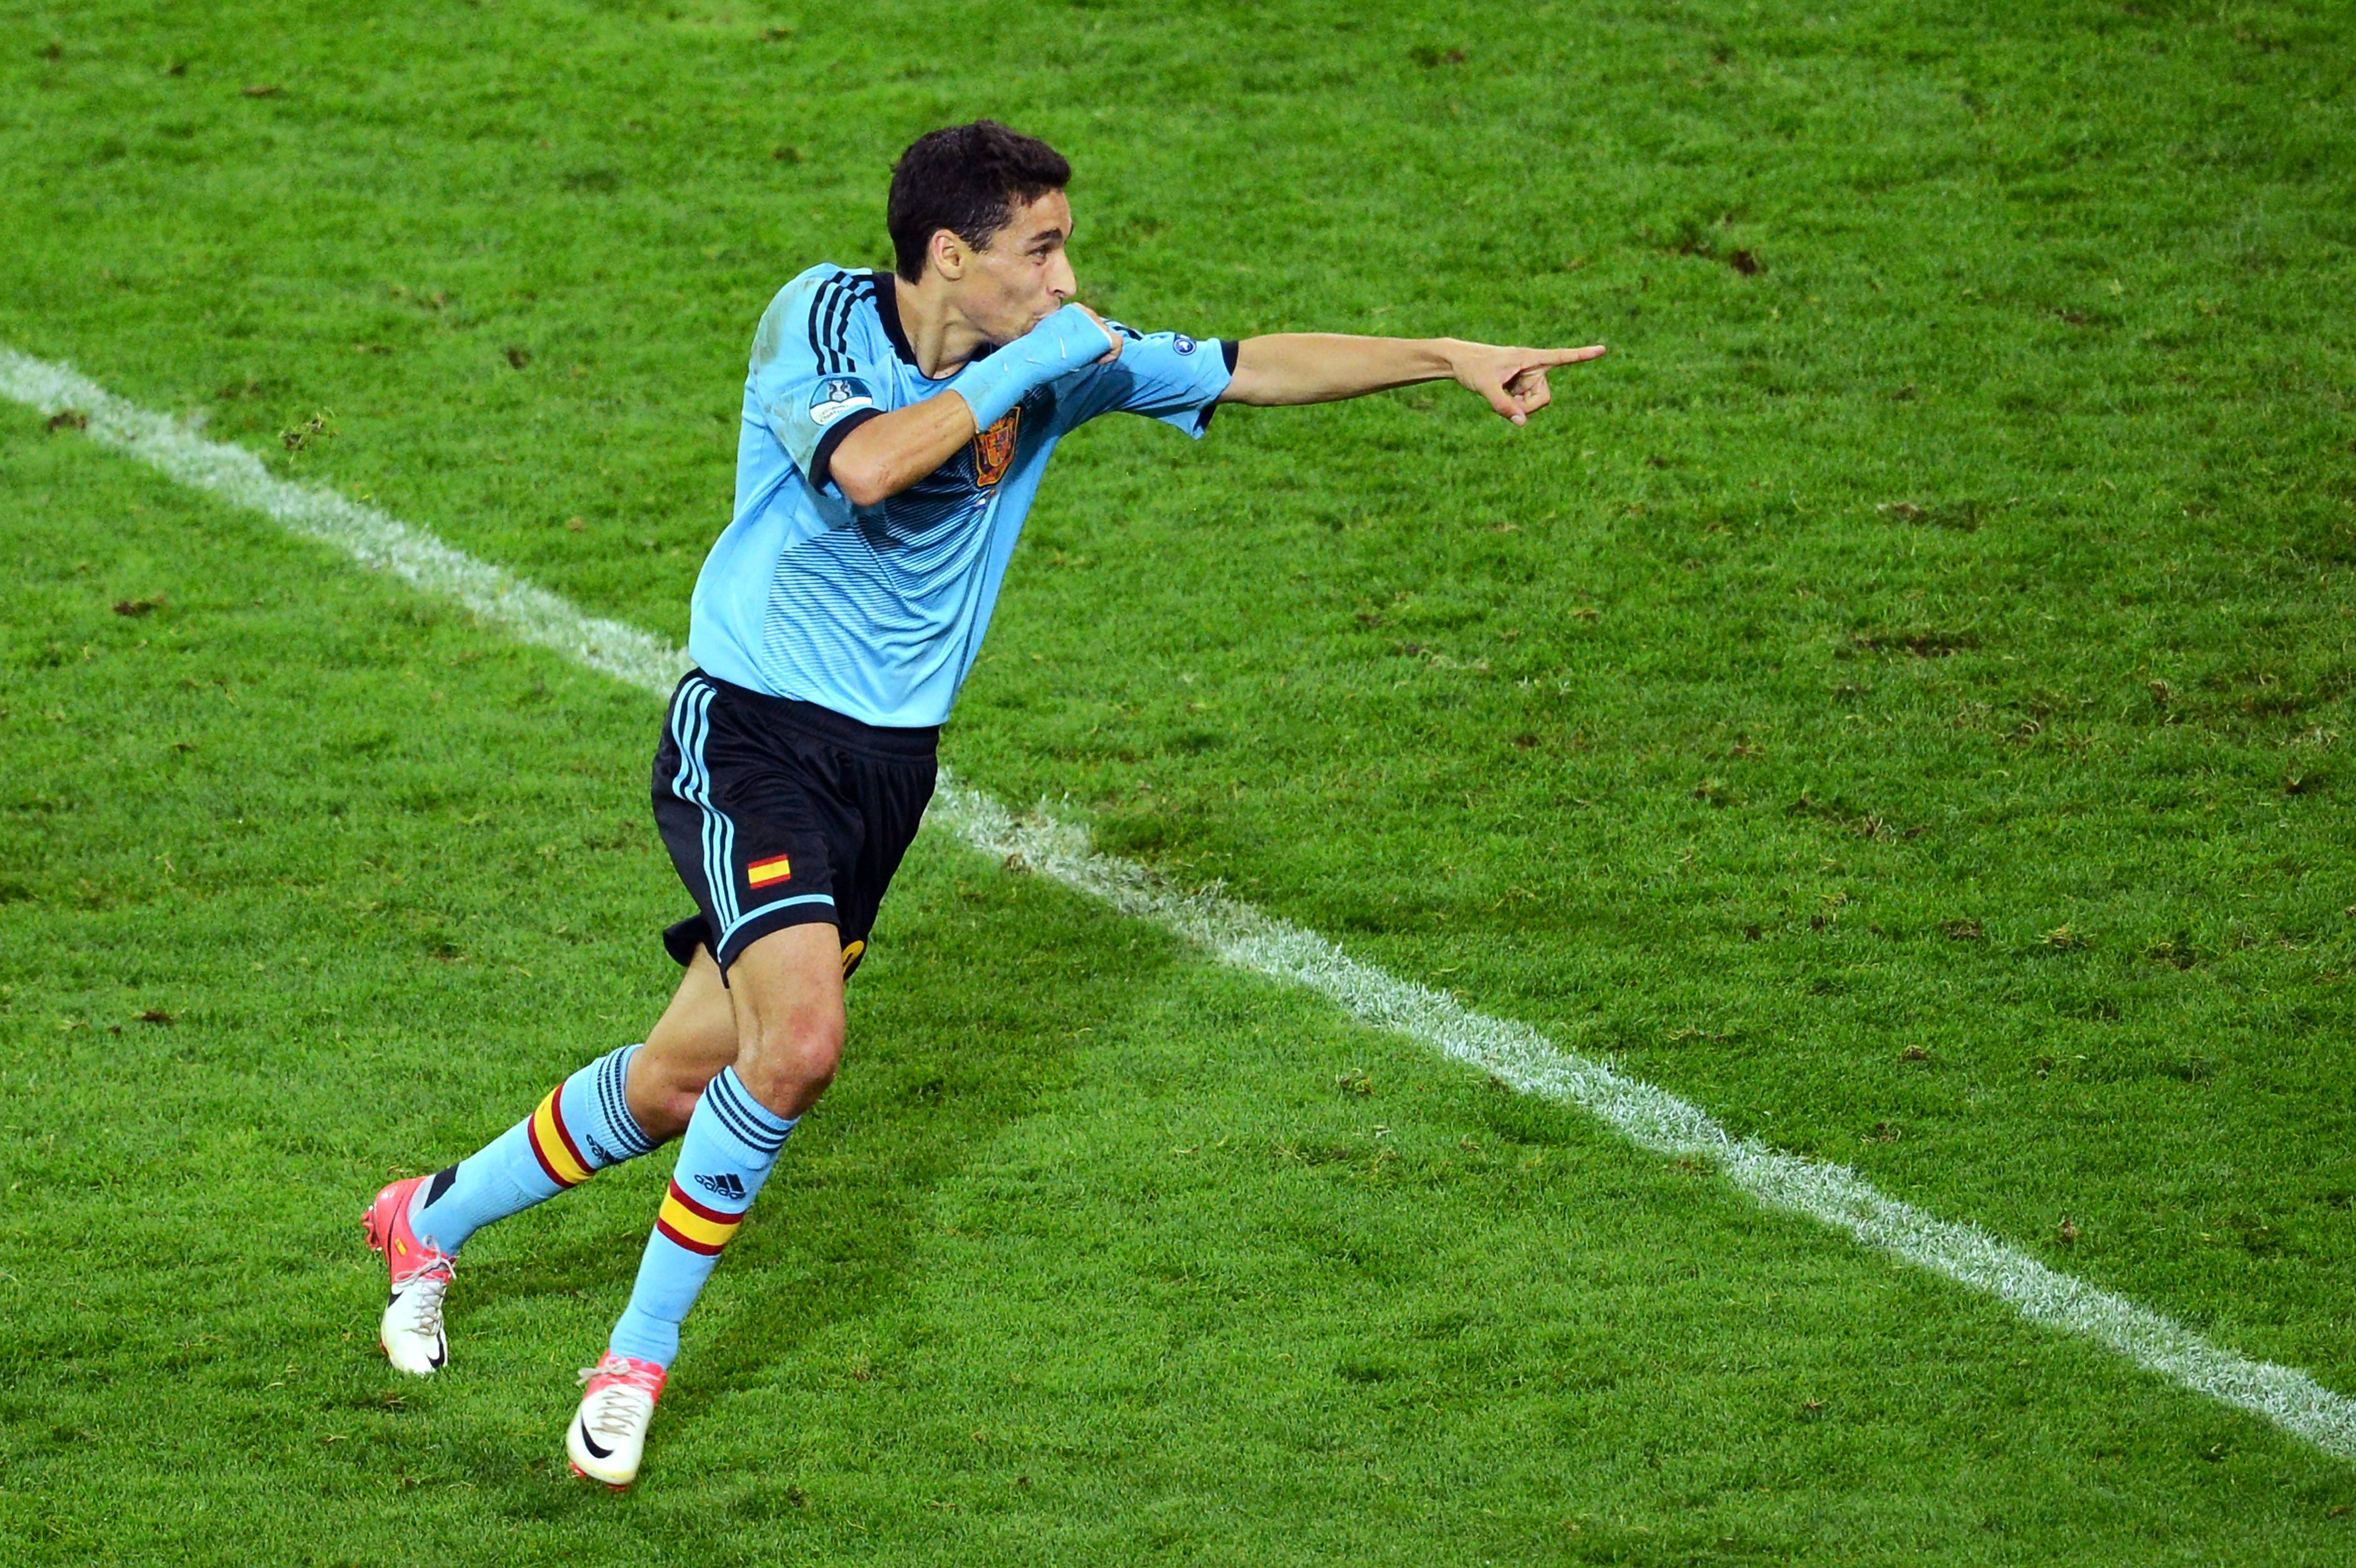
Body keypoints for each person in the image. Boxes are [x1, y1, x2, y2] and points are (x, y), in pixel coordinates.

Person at [360, 119, 1606, 1488]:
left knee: (681, 1080)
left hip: (889, 775)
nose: (1069, 280)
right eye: (1043, 250)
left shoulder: (1054, 357)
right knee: (803, 1049)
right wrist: (1049, 358)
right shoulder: (820, 320)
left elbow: (1248, 367)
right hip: (753, 734)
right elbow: (869, 467)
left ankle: (428, 1216)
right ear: (951, 256)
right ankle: (635, 1357)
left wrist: (1446, 358)